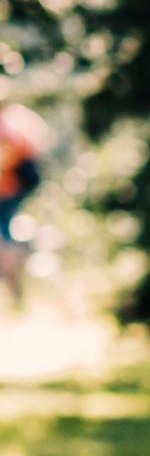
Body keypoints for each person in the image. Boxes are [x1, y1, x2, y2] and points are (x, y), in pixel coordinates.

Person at [0, 103, 49, 314]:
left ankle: (11, 275)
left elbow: (11, 155)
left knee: (3, 232)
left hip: (14, 184)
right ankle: (13, 279)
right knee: (5, 229)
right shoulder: (15, 117)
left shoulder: (7, 125)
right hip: (20, 181)